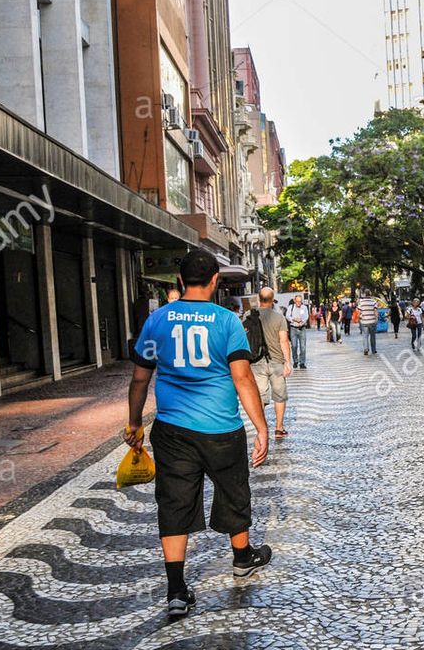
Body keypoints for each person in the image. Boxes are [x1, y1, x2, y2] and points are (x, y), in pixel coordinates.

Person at [124, 250, 272, 620]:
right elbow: (242, 377)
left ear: (179, 279)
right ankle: (242, 558)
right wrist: (261, 427)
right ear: (215, 280)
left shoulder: (157, 321)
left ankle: (176, 591)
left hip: (172, 431)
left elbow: (140, 379)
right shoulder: (227, 322)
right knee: (232, 489)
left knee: (174, 502)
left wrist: (135, 423)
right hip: (221, 427)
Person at [246, 287, 293, 439]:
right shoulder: (279, 318)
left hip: (256, 362)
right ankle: (279, 428)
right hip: (277, 361)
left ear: (259, 299)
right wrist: (288, 362)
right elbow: (283, 341)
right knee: (279, 396)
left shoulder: (249, 315)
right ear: (273, 300)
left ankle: (262, 428)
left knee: (260, 396)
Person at [285, 295, 309, 369]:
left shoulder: (304, 307)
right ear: (294, 301)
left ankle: (302, 362)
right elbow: (287, 316)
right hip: (293, 329)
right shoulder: (291, 307)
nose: (299, 303)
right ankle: (295, 361)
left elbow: (306, 316)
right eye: (297, 301)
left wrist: (302, 321)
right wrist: (294, 319)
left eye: (300, 301)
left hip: (302, 329)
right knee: (294, 346)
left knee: (303, 347)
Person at [359, 290, 380, 356]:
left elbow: (359, 312)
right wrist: (376, 319)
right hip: (372, 321)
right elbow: (375, 311)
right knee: (373, 336)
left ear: (365, 294)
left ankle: (366, 349)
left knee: (365, 336)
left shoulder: (361, 302)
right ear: (370, 294)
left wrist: (361, 316)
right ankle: (373, 350)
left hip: (364, 321)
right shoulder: (374, 302)